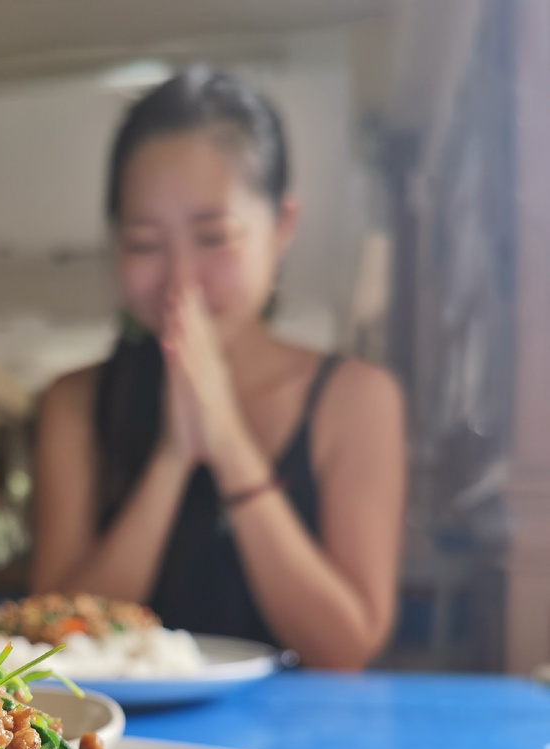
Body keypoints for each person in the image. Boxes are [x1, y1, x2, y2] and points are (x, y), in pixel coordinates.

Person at [31, 66, 405, 669]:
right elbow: (50, 640)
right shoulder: (74, 401)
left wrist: (227, 439)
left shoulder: (356, 397)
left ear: (282, 227)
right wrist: (173, 456)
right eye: (145, 243)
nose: (181, 281)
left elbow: (345, 646)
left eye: (214, 237)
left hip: (297, 746)